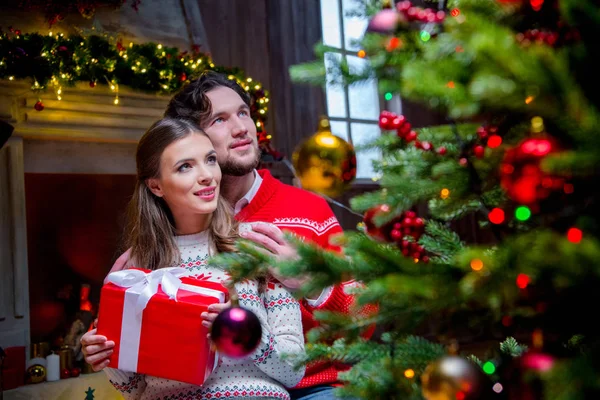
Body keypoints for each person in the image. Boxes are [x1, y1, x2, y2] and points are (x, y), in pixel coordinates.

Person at [88, 71, 376, 399]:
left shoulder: (308, 210)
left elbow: (364, 320)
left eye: (243, 113)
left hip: (315, 386)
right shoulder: (164, 241)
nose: (241, 128)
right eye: (220, 120)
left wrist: (309, 280)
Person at [82, 117, 304, 399]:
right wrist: (107, 357)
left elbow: (294, 372)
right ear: (156, 186)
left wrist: (247, 334)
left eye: (210, 160)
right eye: (185, 166)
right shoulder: (135, 269)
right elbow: (135, 391)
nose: (207, 175)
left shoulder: (258, 246)